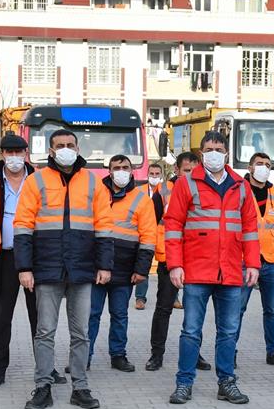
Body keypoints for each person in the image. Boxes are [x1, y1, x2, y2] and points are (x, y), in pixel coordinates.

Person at [15, 128, 114, 409]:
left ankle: (80, 387)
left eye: (70, 144)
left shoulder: (93, 183)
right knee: (45, 331)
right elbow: (22, 226)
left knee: (81, 332)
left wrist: (104, 265)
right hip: (47, 268)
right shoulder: (36, 181)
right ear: (50, 150)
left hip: (82, 269)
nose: (66, 149)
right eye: (60, 145)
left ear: (78, 147)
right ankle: (42, 386)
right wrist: (24, 267)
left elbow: (104, 226)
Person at [164, 131, 259, 405]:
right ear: (201, 152)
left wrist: (252, 263)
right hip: (196, 271)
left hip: (230, 272)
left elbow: (251, 229)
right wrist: (175, 265)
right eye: (209, 148)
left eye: (218, 148)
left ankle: (226, 383)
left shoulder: (241, 186)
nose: (214, 153)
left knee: (229, 331)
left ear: (226, 153)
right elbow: (173, 226)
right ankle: (184, 383)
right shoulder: (186, 183)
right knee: (191, 331)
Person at [0, 134, 61, 389]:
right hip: (2, 256)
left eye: (18, 151)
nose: (14, 157)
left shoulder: (40, 178)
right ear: (2, 154)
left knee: (41, 317)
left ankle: (47, 368)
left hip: (36, 256)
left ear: (26, 153)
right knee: (1, 317)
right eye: (8, 152)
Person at [88, 154, 155, 372]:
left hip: (125, 269)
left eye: (125, 167)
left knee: (119, 315)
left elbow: (148, 237)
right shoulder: (97, 193)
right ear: (109, 170)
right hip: (96, 267)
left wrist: (142, 270)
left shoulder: (142, 199)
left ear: (132, 170)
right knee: (91, 314)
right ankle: (83, 356)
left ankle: (118, 355)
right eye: (116, 167)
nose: (121, 171)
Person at [147, 151, 208, 372]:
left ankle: (195, 353)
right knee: (164, 308)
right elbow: (151, 223)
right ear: (176, 170)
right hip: (168, 259)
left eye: (194, 170)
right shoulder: (162, 191)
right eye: (187, 171)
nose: (191, 174)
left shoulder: (203, 187)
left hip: (195, 258)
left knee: (195, 311)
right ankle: (156, 354)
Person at [239, 152, 274, 367]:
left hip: (271, 260)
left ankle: (273, 351)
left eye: (267, 164)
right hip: (243, 260)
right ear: (250, 168)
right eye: (259, 164)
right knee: (237, 309)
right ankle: (229, 350)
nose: (264, 167)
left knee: (272, 310)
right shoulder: (238, 190)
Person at [134, 161, 166, 311]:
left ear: (162, 175)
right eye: (151, 174)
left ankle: (173, 297)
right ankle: (140, 298)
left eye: (157, 174)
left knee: (166, 267)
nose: (154, 176)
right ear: (147, 175)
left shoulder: (167, 190)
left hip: (162, 235)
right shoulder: (139, 190)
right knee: (143, 264)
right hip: (144, 233)